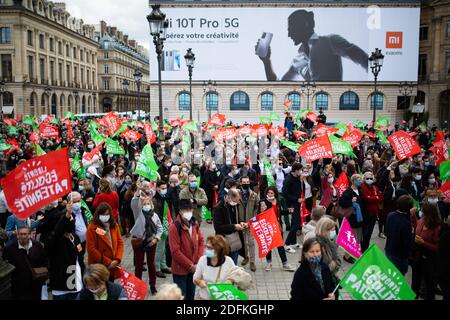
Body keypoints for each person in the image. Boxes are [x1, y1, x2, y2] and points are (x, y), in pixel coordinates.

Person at [256, 9, 368, 82]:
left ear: (305, 24)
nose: (289, 34)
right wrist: (266, 61)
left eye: (292, 29)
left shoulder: (330, 41)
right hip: (311, 111)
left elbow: (364, 59)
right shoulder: (297, 61)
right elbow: (278, 86)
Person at [46, 203, 85, 300]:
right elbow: (57, 233)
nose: (72, 221)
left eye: (73, 219)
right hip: (62, 288)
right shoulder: (54, 238)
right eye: (70, 219)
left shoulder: (74, 237)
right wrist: (66, 216)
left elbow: (80, 259)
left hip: (77, 285)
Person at [168, 199, 204, 301]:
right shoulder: (174, 227)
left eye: (190, 209)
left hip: (194, 267)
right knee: (181, 297)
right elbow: (175, 252)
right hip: (180, 270)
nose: (189, 212)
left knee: (191, 295)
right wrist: (190, 265)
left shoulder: (194, 223)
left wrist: (198, 260)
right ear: (180, 211)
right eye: (186, 209)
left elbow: (201, 241)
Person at [2, 226, 48, 300]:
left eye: (25, 234)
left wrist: (43, 273)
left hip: (36, 286)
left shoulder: (37, 246)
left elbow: (45, 260)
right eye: (21, 234)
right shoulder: (9, 249)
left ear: (29, 235)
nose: (23, 236)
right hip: (19, 288)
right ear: (17, 235)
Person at [130, 197, 162, 295]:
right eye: (144, 204)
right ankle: (138, 285)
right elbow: (134, 203)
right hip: (139, 241)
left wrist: (156, 239)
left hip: (151, 241)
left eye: (148, 203)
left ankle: (152, 285)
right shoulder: (138, 214)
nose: (146, 206)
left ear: (151, 205)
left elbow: (160, 228)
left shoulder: (155, 215)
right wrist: (137, 194)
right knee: (139, 265)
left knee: (151, 264)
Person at [260, 187, 296, 272]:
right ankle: (269, 262)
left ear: (275, 194)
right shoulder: (263, 201)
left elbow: (279, 213)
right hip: (268, 227)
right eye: (268, 193)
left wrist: (288, 211)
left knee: (280, 245)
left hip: (277, 227)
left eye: (272, 193)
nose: (270, 194)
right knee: (269, 246)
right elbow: (260, 214)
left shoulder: (278, 201)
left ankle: (285, 263)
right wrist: (262, 210)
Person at [86, 202, 124, 281]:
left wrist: (117, 259)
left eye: (107, 214)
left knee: (110, 286)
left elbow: (120, 243)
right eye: (103, 214)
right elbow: (91, 249)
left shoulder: (114, 225)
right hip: (99, 265)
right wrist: (108, 262)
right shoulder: (92, 227)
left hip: (113, 264)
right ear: (98, 214)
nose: (105, 216)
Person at [411, 203, 441, 300]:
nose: (422, 214)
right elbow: (416, 225)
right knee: (415, 282)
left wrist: (423, 243)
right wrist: (413, 216)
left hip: (429, 259)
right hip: (417, 256)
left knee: (429, 284)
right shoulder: (421, 221)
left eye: (423, 212)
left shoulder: (437, 227)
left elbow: (437, 248)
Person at [193, 235, 236, 300]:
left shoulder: (228, 261)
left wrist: (229, 281)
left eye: (210, 248)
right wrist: (199, 282)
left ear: (218, 250)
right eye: (206, 247)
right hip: (204, 298)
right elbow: (195, 278)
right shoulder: (202, 260)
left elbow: (235, 276)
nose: (206, 250)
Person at [384, 195, 415, 275]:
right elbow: (407, 243)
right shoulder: (406, 223)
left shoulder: (390, 215)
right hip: (400, 255)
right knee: (399, 277)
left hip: (389, 249)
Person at [213, 189, 245, 265]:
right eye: (236, 201)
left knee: (233, 265)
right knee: (224, 265)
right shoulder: (218, 208)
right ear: (229, 198)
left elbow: (235, 218)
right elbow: (218, 227)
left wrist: (241, 223)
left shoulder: (234, 204)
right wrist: (234, 226)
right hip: (223, 241)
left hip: (235, 241)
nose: (237, 203)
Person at [339, 174, 364, 263]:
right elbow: (341, 202)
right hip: (352, 219)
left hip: (359, 218)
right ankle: (346, 256)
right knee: (351, 237)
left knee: (357, 237)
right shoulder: (348, 191)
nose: (360, 181)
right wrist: (350, 201)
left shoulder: (360, 190)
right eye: (358, 179)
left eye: (360, 179)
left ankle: (353, 253)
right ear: (353, 181)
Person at [239, 176, 260, 272]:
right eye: (244, 182)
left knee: (251, 242)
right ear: (240, 183)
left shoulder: (254, 195)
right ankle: (245, 257)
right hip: (240, 222)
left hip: (250, 222)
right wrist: (239, 221)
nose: (246, 183)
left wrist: (252, 220)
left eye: (247, 182)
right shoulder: (237, 194)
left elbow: (257, 207)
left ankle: (252, 261)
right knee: (243, 242)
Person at [152, 180, 172, 279]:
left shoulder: (164, 198)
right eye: (162, 188)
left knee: (163, 247)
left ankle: (163, 265)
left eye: (165, 188)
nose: (164, 190)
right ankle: (157, 268)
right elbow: (156, 215)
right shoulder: (155, 200)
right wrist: (162, 226)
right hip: (158, 228)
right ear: (157, 188)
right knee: (159, 248)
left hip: (164, 226)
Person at [283, 163, 303, 253]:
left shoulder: (297, 178)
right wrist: (296, 199)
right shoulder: (288, 179)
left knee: (295, 223)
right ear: (295, 170)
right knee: (296, 224)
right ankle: (286, 244)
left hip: (297, 203)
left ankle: (293, 242)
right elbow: (285, 194)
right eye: (300, 170)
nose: (301, 171)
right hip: (292, 204)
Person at [360, 171, 383, 252]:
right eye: (367, 178)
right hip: (366, 214)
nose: (369, 179)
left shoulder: (375, 188)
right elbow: (366, 199)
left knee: (369, 234)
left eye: (371, 178)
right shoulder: (362, 187)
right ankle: (362, 249)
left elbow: (381, 198)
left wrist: (373, 197)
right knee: (364, 234)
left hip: (374, 214)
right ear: (364, 179)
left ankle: (365, 249)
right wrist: (375, 197)